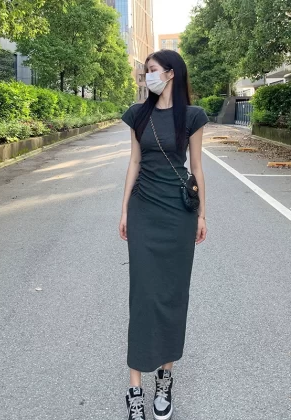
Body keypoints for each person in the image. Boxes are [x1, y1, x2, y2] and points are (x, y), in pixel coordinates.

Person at [119, 49, 209, 420]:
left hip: (178, 215)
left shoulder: (192, 116)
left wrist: (202, 214)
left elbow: (197, 168)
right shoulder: (137, 114)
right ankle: (134, 389)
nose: (147, 76)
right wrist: (124, 209)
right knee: (142, 296)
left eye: (152, 70)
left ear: (171, 73)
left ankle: (165, 379)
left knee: (172, 295)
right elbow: (134, 162)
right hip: (144, 211)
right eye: (145, 71)